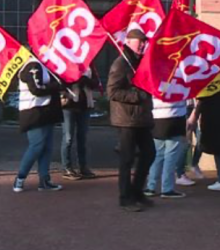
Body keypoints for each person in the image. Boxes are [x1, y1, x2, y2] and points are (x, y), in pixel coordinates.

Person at [107, 28, 155, 212]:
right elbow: (112, 91)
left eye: (144, 41)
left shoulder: (139, 62)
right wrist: (137, 95)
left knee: (149, 153)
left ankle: (137, 192)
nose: (142, 44)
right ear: (128, 41)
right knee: (127, 159)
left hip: (140, 118)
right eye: (139, 41)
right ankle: (125, 197)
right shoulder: (121, 64)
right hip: (127, 119)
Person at [13, 57, 64, 193]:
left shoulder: (44, 65)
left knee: (46, 147)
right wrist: (56, 86)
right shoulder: (33, 65)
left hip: (45, 111)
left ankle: (44, 180)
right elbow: (36, 89)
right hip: (34, 112)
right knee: (37, 145)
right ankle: (20, 178)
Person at [144, 98, 188, 198]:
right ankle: (167, 189)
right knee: (171, 157)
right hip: (176, 118)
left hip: (157, 119)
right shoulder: (179, 83)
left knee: (157, 155)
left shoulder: (155, 84)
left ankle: (151, 187)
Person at [61, 68, 98, 180]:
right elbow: (60, 83)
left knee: (82, 137)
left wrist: (86, 80)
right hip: (69, 105)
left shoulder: (89, 65)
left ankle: (83, 166)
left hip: (85, 105)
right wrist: (74, 80)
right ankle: (67, 167)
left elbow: (95, 83)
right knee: (68, 137)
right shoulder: (65, 62)